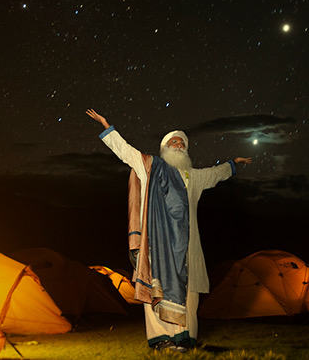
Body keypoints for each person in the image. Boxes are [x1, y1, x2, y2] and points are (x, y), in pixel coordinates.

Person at [86, 109, 252, 352]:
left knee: (189, 293)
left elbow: (215, 174)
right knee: (157, 290)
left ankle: (184, 339)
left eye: (182, 143)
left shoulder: (193, 177)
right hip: (157, 244)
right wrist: (107, 127)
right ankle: (160, 339)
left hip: (189, 245)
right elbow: (127, 153)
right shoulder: (151, 167)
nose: (178, 145)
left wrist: (232, 164)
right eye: (173, 142)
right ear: (164, 148)